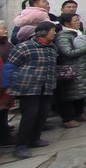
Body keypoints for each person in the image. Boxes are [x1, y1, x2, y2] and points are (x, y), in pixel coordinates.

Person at [7, 22, 60, 159]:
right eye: (52, 31)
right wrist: (7, 85)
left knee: (43, 113)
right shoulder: (25, 47)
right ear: (43, 32)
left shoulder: (52, 47)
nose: (54, 33)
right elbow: (10, 66)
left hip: (47, 86)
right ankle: (20, 145)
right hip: (28, 87)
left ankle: (34, 139)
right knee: (30, 115)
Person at [54, 14, 86, 128]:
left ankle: (79, 113)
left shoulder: (77, 33)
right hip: (70, 69)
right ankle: (67, 118)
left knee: (79, 92)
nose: (79, 22)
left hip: (81, 67)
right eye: (76, 20)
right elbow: (68, 52)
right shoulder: (63, 36)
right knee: (69, 94)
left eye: (78, 19)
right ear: (67, 24)